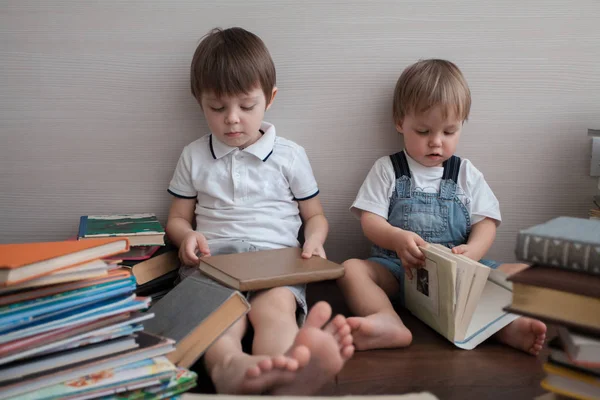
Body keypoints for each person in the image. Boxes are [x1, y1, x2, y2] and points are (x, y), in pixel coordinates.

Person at [166, 27, 354, 395]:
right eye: (217, 108)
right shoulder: (193, 156)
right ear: (199, 102)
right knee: (220, 322)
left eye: (246, 106)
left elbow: (314, 216)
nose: (232, 119)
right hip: (214, 263)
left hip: (277, 262)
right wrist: (186, 236)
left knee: (276, 312)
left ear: (269, 99)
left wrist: (314, 240)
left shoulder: (289, 155)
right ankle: (230, 368)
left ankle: (287, 366)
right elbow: (176, 218)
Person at [337, 59, 546, 355]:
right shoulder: (388, 169)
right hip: (399, 271)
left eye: (449, 132)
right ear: (400, 122)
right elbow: (370, 220)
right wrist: (396, 238)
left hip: (459, 274)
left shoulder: (465, 173)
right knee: (350, 270)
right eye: (423, 131)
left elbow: (486, 222)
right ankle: (386, 319)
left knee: (527, 272)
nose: (436, 142)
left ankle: (505, 328)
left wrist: (473, 252)